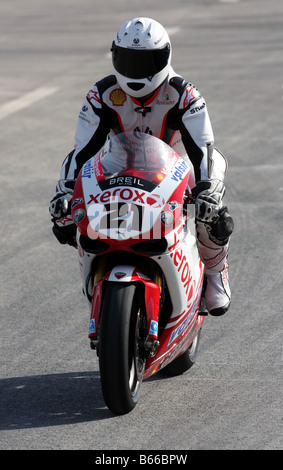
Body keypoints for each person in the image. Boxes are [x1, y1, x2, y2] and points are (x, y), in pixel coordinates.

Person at [49, 17, 234, 316]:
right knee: (66, 219)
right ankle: (100, 275)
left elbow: (202, 149)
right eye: (130, 61)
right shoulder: (102, 94)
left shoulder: (184, 94)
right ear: (114, 57)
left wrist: (206, 191)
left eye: (147, 62)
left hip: (177, 166)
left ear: (165, 57)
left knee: (213, 212)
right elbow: (82, 151)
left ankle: (215, 273)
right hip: (119, 165)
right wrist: (65, 192)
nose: (138, 72)